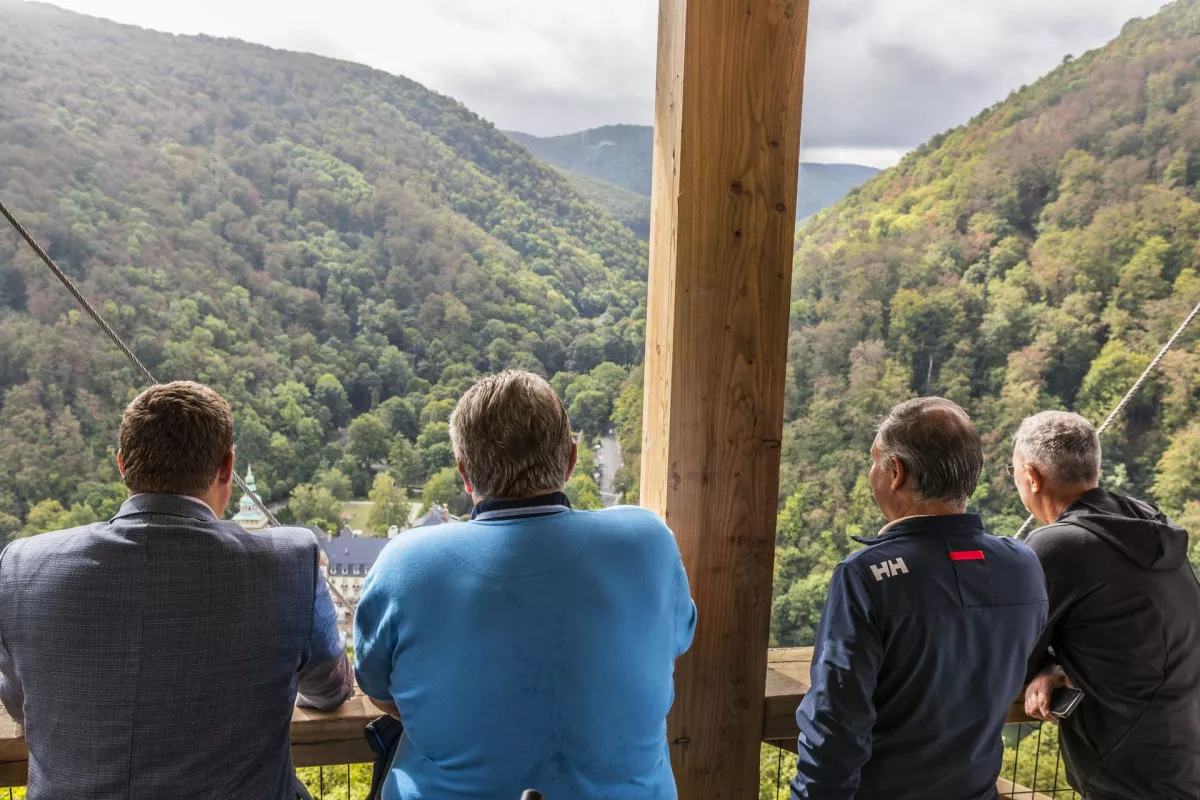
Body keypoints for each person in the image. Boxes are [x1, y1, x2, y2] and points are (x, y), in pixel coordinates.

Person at [0, 381, 353, 800]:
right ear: (227, 467)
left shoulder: (23, 566)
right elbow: (330, 690)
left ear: (122, 466)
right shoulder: (289, 561)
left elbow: (21, 703)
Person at [354, 370, 697, 800]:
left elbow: (378, 689)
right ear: (571, 460)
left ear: (464, 474)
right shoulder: (648, 542)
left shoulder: (405, 564)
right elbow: (678, 638)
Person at [791, 397, 1047, 800]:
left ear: (896, 472)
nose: (871, 473)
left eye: (874, 462)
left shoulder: (867, 576)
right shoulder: (1022, 565)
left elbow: (835, 722)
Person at [1014, 411, 1200, 800]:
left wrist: (1045, 663)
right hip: (1183, 748)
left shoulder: (1059, 546)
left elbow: (1009, 658)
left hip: (1127, 769)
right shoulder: (1147, 523)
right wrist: (1056, 662)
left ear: (1032, 476)